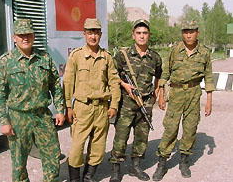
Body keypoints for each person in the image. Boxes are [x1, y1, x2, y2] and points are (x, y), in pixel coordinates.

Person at [0, 19, 65, 182]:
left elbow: (55, 86)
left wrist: (59, 109)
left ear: (33, 36)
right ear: (15, 38)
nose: (25, 38)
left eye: (29, 34)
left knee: (52, 155)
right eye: (21, 35)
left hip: (42, 116)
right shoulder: (5, 61)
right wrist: (3, 120)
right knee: (19, 162)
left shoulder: (44, 58)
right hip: (18, 117)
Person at [152, 20, 215, 181]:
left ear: (197, 33)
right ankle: (162, 162)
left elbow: (208, 76)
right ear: (182, 33)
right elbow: (165, 73)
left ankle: (184, 161)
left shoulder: (205, 53)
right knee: (171, 128)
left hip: (194, 93)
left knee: (190, 127)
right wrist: (160, 95)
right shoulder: (175, 50)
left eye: (192, 31)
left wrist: (209, 100)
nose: (188, 34)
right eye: (185, 31)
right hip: (176, 93)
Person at [63, 18, 121, 182]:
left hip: (102, 108)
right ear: (84, 34)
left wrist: (114, 105)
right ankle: (75, 179)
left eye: (96, 32)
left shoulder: (106, 57)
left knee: (98, 146)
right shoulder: (76, 56)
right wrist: (68, 106)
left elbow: (114, 82)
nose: (93, 36)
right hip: (82, 108)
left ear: (100, 34)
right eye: (90, 32)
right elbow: (67, 82)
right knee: (76, 147)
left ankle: (89, 177)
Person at [109, 19, 162, 182]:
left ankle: (135, 166)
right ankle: (116, 170)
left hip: (145, 103)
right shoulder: (123, 55)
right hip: (126, 103)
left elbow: (159, 75)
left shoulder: (154, 57)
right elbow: (112, 75)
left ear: (149, 35)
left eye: (145, 33)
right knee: (121, 137)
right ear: (133, 35)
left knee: (141, 137)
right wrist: (125, 85)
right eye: (138, 33)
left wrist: (157, 92)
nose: (142, 36)